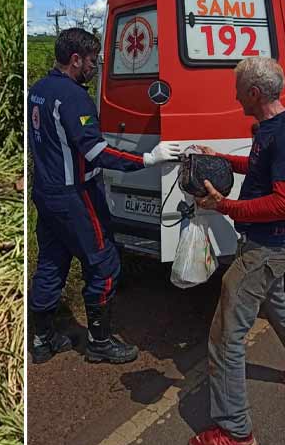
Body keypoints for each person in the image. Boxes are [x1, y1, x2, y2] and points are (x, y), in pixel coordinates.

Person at [188, 57, 285, 445]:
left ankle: (235, 431)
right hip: (265, 246)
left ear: (253, 93)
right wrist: (218, 160)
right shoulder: (271, 129)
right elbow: (257, 168)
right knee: (278, 304)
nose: (234, 95)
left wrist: (225, 206)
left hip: (266, 249)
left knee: (225, 337)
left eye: (238, 89)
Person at [28, 28, 179, 365]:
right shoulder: (73, 96)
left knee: (52, 262)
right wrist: (147, 160)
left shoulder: (37, 90)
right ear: (75, 59)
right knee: (105, 263)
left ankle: (41, 338)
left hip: (46, 192)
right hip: (75, 196)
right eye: (92, 60)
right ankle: (99, 341)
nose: (95, 67)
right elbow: (95, 151)